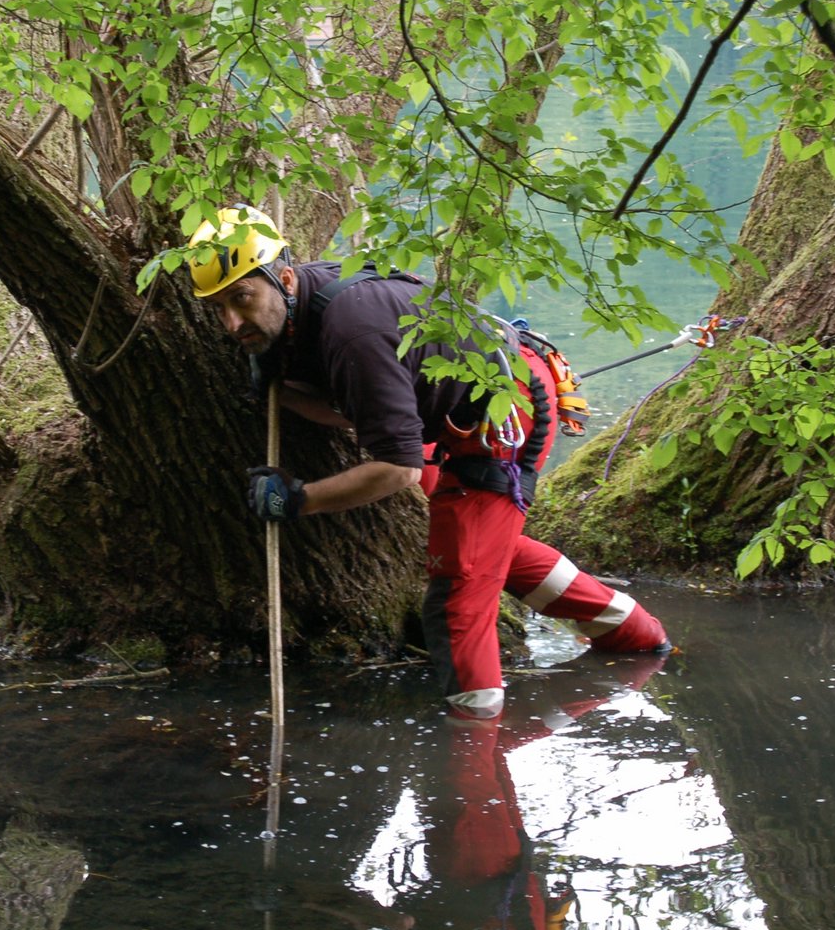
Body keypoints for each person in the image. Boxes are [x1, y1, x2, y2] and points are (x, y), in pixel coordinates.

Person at [188, 205, 671, 718]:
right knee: (481, 551)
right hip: (450, 414)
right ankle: (637, 639)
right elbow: (364, 414)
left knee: (456, 604)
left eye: (243, 299)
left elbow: (399, 469)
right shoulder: (300, 307)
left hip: (503, 414)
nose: (233, 323)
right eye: (218, 308)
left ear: (284, 277)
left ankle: (473, 766)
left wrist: (299, 499)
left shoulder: (353, 330)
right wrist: (283, 390)